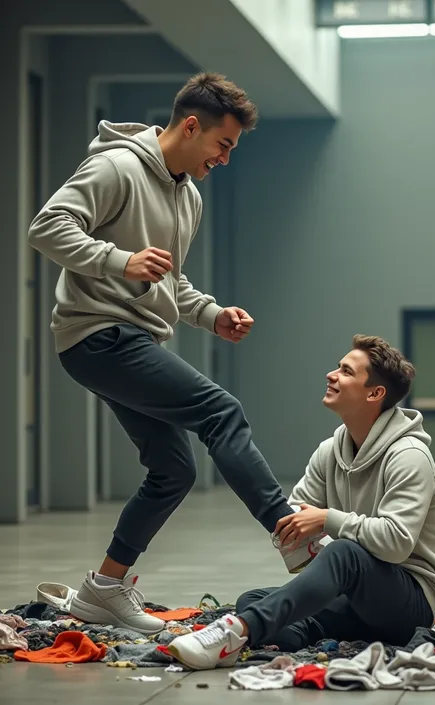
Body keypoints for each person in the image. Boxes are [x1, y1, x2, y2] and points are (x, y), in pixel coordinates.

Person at [27, 72, 308, 635]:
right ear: (190, 125)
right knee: (220, 411)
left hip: (132, 338)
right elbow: (46, 226)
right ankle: (293, 537)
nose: (226, 158)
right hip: (98, 334)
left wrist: (212, 314)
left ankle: (103, 589)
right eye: (223, 144)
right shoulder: (117, 167)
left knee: (173, 470)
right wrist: (116, 260)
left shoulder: (190, 196)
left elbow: (169, 280)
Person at [167, 335, 435, 670]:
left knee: (343, 553)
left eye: (346, 372)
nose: (332, 375)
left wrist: (327, 521)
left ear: (375, 393)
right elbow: (298, 517)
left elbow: (395, 544)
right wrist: (295, 529)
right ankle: (305, 628)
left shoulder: (409, 456)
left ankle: (233, 632)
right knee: (254, 600)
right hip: (353, 596)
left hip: (410, 604)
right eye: (337, 367)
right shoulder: (330, 451)